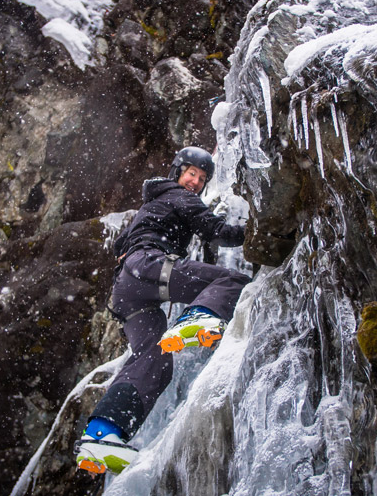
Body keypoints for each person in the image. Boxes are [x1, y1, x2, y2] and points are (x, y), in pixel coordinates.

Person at [74, 146, 251, 474]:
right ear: (177, 172)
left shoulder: (152, 202)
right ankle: (196, 317)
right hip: (149, 267)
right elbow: (216, 232)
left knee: (154, 361)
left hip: (128, 292)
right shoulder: (177, 195)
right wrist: (255, 232)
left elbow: (119, 245)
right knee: (233, 280)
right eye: (191, 173)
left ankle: (103, 433)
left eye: (201, 178)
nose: (195, 182)